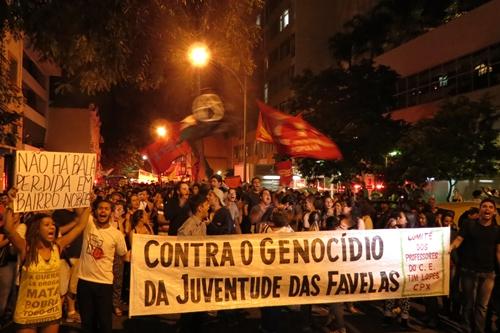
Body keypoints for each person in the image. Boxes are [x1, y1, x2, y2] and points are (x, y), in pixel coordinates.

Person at [1, 188, 91, 333]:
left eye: (53, 225)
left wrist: (88, 203)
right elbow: (8, 229)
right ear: (37, 229)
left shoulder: (58, 247)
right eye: (47, 225)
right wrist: (11, 203)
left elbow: (81, 225)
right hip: (27, 312)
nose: (52, 227)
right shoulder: (26, 248)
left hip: (51, 311)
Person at [77, 199, 129, 333]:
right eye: (100, 208)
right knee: (87, 323)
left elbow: (124, 255)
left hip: (104, 283)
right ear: (95, 211)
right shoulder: (88, 224)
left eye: (106, 209)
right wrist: (85, 197)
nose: (103, 211)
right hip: (85, 281)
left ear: (111, 213)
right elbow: (79, 209)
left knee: (105, 322)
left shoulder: (117, 234)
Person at [449, 198, 500, 333]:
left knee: (482, 306)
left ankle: (478, 330)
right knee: (468, 303)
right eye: (484, 206)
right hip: (469, 271)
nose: (487, 209)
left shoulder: (497, 230)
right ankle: (466, 328)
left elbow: (498, 252)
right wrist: (451, 247)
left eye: (490, 207)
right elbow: (459, 239)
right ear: (480, 209)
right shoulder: (468, 224)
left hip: (488, 273)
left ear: (494, 212)